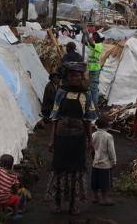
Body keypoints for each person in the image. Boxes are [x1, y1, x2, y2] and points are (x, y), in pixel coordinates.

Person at [48, 64, 97, 215]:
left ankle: (73, 205)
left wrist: (90, 141)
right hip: (61, 138)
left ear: (82, 77)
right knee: (59, 169)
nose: (74, 78)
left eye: (77, 76)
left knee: (76, 170)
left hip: (78, 139)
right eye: (71, 75)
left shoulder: (87, 94)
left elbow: (88, 120)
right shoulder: (61, 92)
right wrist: (52, 140)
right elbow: (55, 118)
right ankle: (57, 203)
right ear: (67, 77)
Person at [0, 154, 24, 221]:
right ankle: (15, 215)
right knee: (16, 199)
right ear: (12, 166)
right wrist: (16, 192)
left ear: (0, 164)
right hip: (3, 199)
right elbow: (16, 187)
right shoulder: (14, 176)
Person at [90, 116, 116, 206]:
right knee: (105, 182)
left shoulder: (93, 135)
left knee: (95, 181)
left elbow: (92, 149)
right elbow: (111, 151)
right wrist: (114, 161)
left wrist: (93, 158)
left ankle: (94, 197)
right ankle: (104, 199)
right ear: (107, 126)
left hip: (95, 163)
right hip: (105, 164)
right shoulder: (108, 136)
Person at [84, 31, 104, 106]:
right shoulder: (95, 45)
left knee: (93, 88)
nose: (93, 37)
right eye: (93, 35)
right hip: (91, 68)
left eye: (95, 36)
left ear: (99, 38)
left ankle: (94, 105)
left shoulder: (99, 45)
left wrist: (86, 33)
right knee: (92, 87)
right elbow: (84, 42)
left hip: (95, 69)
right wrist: (84, 34)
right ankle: (94, 102)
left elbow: (91, 43)